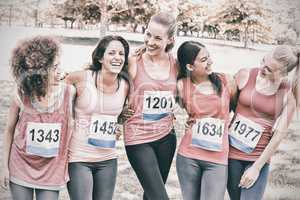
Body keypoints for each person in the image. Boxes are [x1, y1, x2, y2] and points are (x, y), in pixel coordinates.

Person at [0, 36, 75, 200]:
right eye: (54, 67)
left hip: (51, 169)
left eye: (58, 66)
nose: (59, 71)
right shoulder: (22, 94)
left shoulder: (68, 92)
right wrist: (4, 167)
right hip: (20, 165)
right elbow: (9, 131)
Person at [227, 45, 299, 200]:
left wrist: (256, 168)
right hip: (231, 153)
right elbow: (226, 107)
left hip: (258, 157)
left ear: (283, 73)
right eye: (263, 61)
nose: (262, 68)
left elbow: (279, 135)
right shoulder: (244, 75)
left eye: (270, 69)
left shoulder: (288, 94)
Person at [66, 35, 130, 200]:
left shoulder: (125, 85)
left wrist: (118, 124)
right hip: (79, 157)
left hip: (108, 159)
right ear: (100, 57)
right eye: (112, 53)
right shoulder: (81, 78)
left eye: (122, 54)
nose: (117, 57)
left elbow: (115, 115)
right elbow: (55, 96)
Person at [123, 12, 177, 200]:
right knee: (160, 197)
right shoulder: (133, 61)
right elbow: (111, 84)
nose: (150, 41)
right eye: (148, 35)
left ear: (170, 39)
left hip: (167, 138)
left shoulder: (176, 64)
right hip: (138, 138)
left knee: (152, 195)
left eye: (157, 38)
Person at [175, 41, 237, 200]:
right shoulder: (181, 86)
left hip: (217, 158)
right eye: (203, 60)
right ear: (190, 67)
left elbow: (238, 110)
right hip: (189, 156)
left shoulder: (226, 81)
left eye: (208, 57)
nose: (210, 62)